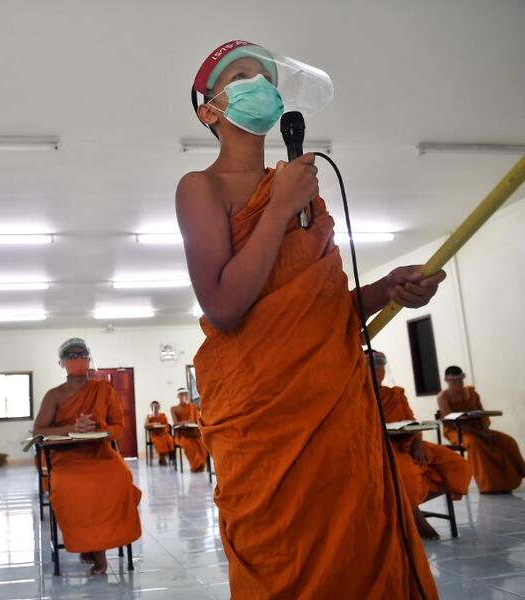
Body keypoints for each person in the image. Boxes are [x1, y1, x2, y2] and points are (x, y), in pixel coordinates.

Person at [177, 40, 445, 598]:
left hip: (337, 416)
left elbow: (320, 308)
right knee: (288, 563)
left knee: (360, 550)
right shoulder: (200, 188)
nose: (263, 88)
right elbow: (224, 307)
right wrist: (277, 208)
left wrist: (383, 289)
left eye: (270, 81)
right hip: (265, 427)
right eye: (246, 76)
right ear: (210, 109)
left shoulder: (302, 192)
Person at [32, 337, 141, 575]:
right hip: (66, 457)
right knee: (71, 487)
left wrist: (98, 431)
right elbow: (39, 431)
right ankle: (90, 546)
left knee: (120, 477)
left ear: (89, 359)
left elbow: (119, 427)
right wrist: (72, 428)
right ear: (61, 363)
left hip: (99, 452)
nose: (77, 359)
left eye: (81, 354)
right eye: (70, 355)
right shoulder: (54, 395)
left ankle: (95, 545)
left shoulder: (103, 389)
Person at [367, 351, 471, 540]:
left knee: (457, 463)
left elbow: (412, 422)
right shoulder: (359, 396)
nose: (377, 371)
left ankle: (408, 506)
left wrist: (417, 445)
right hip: (381, 446)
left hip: (407, 441)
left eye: (380, 366)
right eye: (371, 367)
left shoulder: (395, 394)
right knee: (407, 471)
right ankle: (414, 514)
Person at [438, 366, 525, 493]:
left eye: (460, 381)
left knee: (507, 441)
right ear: (447, 381)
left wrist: (485, 428)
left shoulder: (472, 393)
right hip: (457, 431)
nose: (458, 385)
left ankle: (509, 480)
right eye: (454, 382)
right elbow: (451, 421)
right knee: (475, 443)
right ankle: (488, 486)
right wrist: (479, 433)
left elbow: (482, 413)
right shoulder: (443, 397)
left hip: (478, 428)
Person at [170, 388, 207, 472]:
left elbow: (197, 420)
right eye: (181, 394)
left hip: (194, 433)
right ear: (178, 396)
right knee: (188, 445)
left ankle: (201, 465)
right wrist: (187, 422)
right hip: (182, 435)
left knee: (202, 444)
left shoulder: (192, 407)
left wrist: (189, 422)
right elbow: (176, 423)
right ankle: (196, 465)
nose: (184, 396)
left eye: (185, 394)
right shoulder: (174, 408)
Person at [144, 401, 174, 465]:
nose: (155, 408)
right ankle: (162, 458)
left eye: (157, 407)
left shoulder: (163, 415)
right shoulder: (149, 416)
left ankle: (167, 457)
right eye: (154, 407)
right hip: (154, 435)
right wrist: (153, 424)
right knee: (158, 441)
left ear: (159, 407)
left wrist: (164, 431)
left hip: (163, 433)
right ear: (151, 408)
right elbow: (146, 425)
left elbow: (166, 425)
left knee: (170, 440)